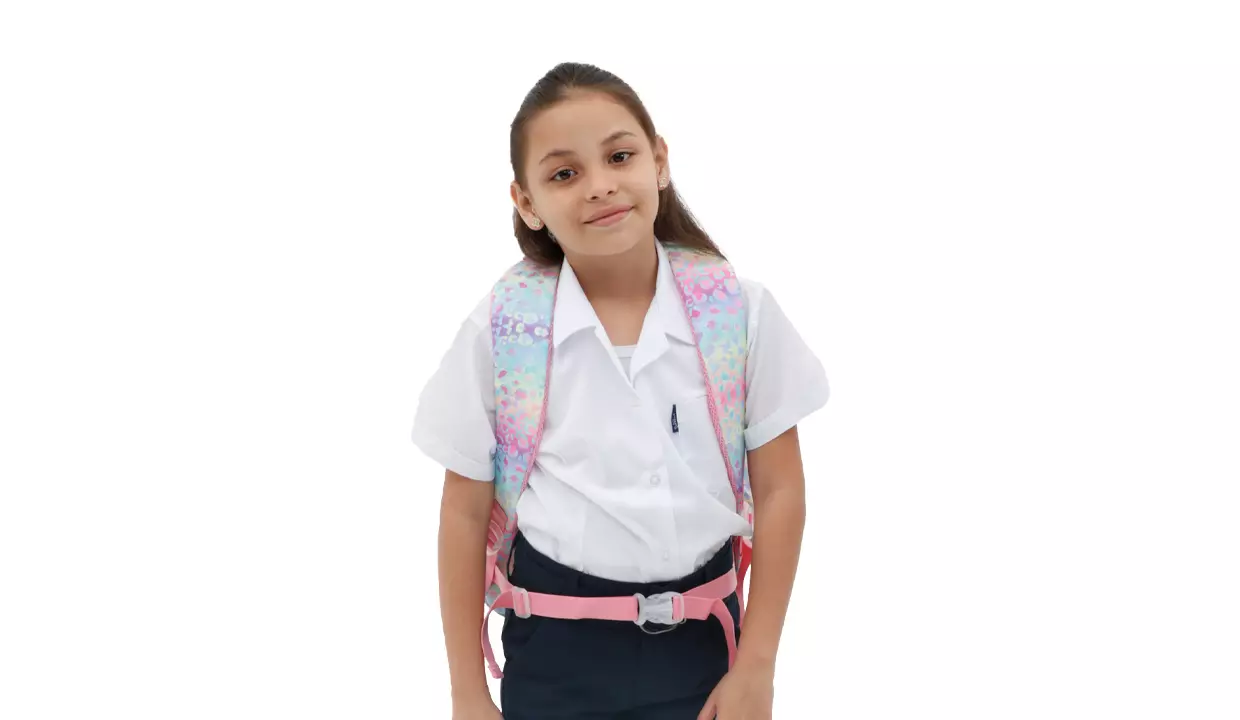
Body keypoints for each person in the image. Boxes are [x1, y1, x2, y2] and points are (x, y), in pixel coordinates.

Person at [412, 61, 831, 720]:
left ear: (658, 161)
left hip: (703, 651)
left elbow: (780, 491)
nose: (600, 186)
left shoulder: (737, 315)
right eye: (564, 174)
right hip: (553, 654)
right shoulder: (505, 332)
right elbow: (463, 513)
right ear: (527, 202)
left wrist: (757, 667)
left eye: (619, 156)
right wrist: (467, 692)